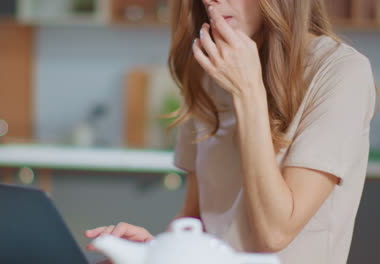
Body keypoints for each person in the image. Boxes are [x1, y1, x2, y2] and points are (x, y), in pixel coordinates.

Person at [85, 0, 378, 263]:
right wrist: (151, 253)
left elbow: (275, 234)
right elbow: (196, 221)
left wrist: (248, 92)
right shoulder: (208, 68)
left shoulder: (341, 72)